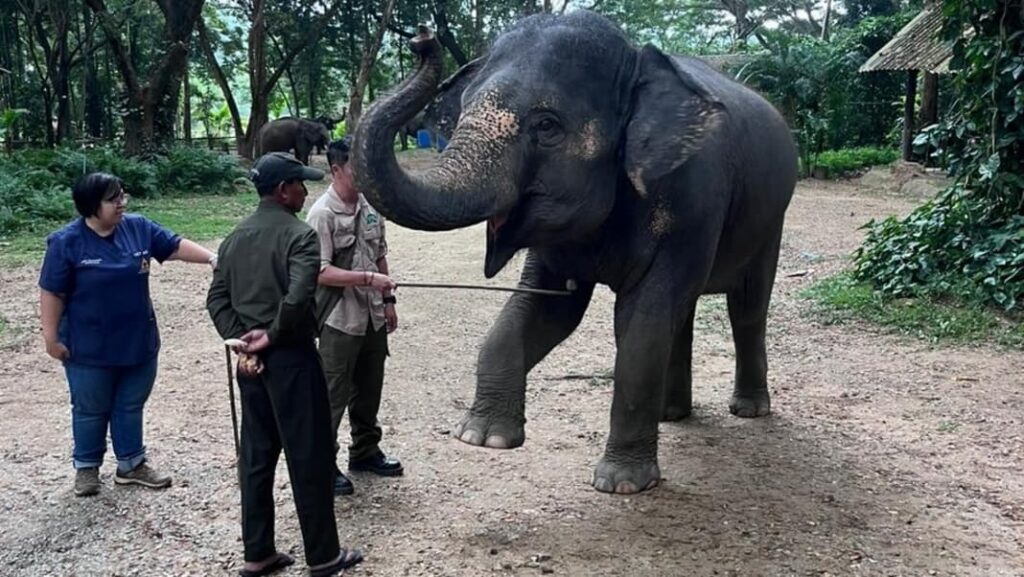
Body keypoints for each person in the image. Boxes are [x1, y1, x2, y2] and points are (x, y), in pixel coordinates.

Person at [206, 151, 363, 577]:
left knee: (256, 457)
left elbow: (215, 299)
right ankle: (324, 556)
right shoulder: (300, 236)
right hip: (291, 357)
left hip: (250, 364)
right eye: (299, 183)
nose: (304, 190)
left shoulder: (233, 238)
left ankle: (258, 553)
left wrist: (243, 341)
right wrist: (272, 335)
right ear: (282, 190)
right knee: (308, 455)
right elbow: (297, 296)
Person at [38, 172, 218, 497]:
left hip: (138, 341)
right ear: (92, 206)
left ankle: (131, 464)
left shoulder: (138, 227)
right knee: (91, 407)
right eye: (113, 199)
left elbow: (173, 246)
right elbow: (52, 293)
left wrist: (212, 258)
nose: (122, 203)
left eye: (123, 196)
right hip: (88, 347)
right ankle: (87, 468)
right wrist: (51, 338)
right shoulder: (66, 242)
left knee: (130, 404)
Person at [306, 137, 401, 497]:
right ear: (335, 170)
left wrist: (388, 299)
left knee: (369, 387)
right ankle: (321, 466)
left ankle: (364, 450)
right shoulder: (321, 215)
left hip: (372, 316)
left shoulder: (369, 206)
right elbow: (320, 271)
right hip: (339, 320)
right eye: (354, 168)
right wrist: (366, 280)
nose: (362, 174)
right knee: (333, 394)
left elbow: (380, 253)